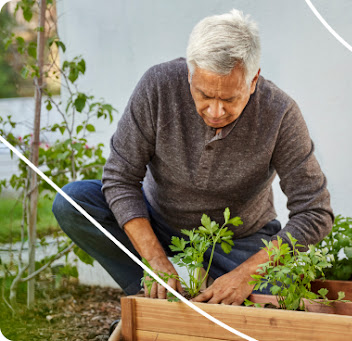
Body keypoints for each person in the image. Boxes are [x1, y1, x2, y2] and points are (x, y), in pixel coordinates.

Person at [52, 9, 333, 305]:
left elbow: (315, 211)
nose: (215, 111)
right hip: (159, 225)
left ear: (253, 81)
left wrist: (247, 275)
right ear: (190, 73)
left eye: (229, 99)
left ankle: (193, 290)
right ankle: (159, 293)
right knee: (73, 202)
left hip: (239, 243)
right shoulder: (158, 86)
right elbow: (120, 178)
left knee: (280, 304)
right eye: (204, 95)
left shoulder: (280, 114)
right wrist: (155, 261)